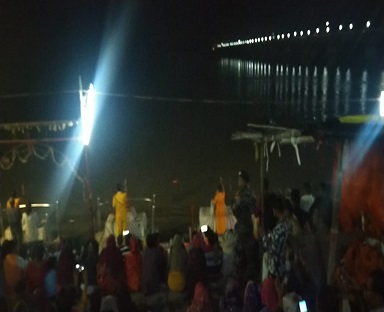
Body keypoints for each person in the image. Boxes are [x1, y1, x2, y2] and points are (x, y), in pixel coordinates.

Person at [232, 169, 258, 283]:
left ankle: (241, 283)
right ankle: (250, 283)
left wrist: (236, 200)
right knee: (250, 260)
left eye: (240, 180)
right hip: (249, 229)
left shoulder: (242, 196)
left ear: (244, 181)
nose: (239, 182)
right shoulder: (252, 195)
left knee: (239, 260)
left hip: (243, 230)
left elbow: (235, 210)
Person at [262, 194, 291, 278]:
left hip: (277, 267)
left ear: (275, 211)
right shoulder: (288, 225)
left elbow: (271, 249)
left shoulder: (278, 230)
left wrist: (264, 236)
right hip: (285, 264)